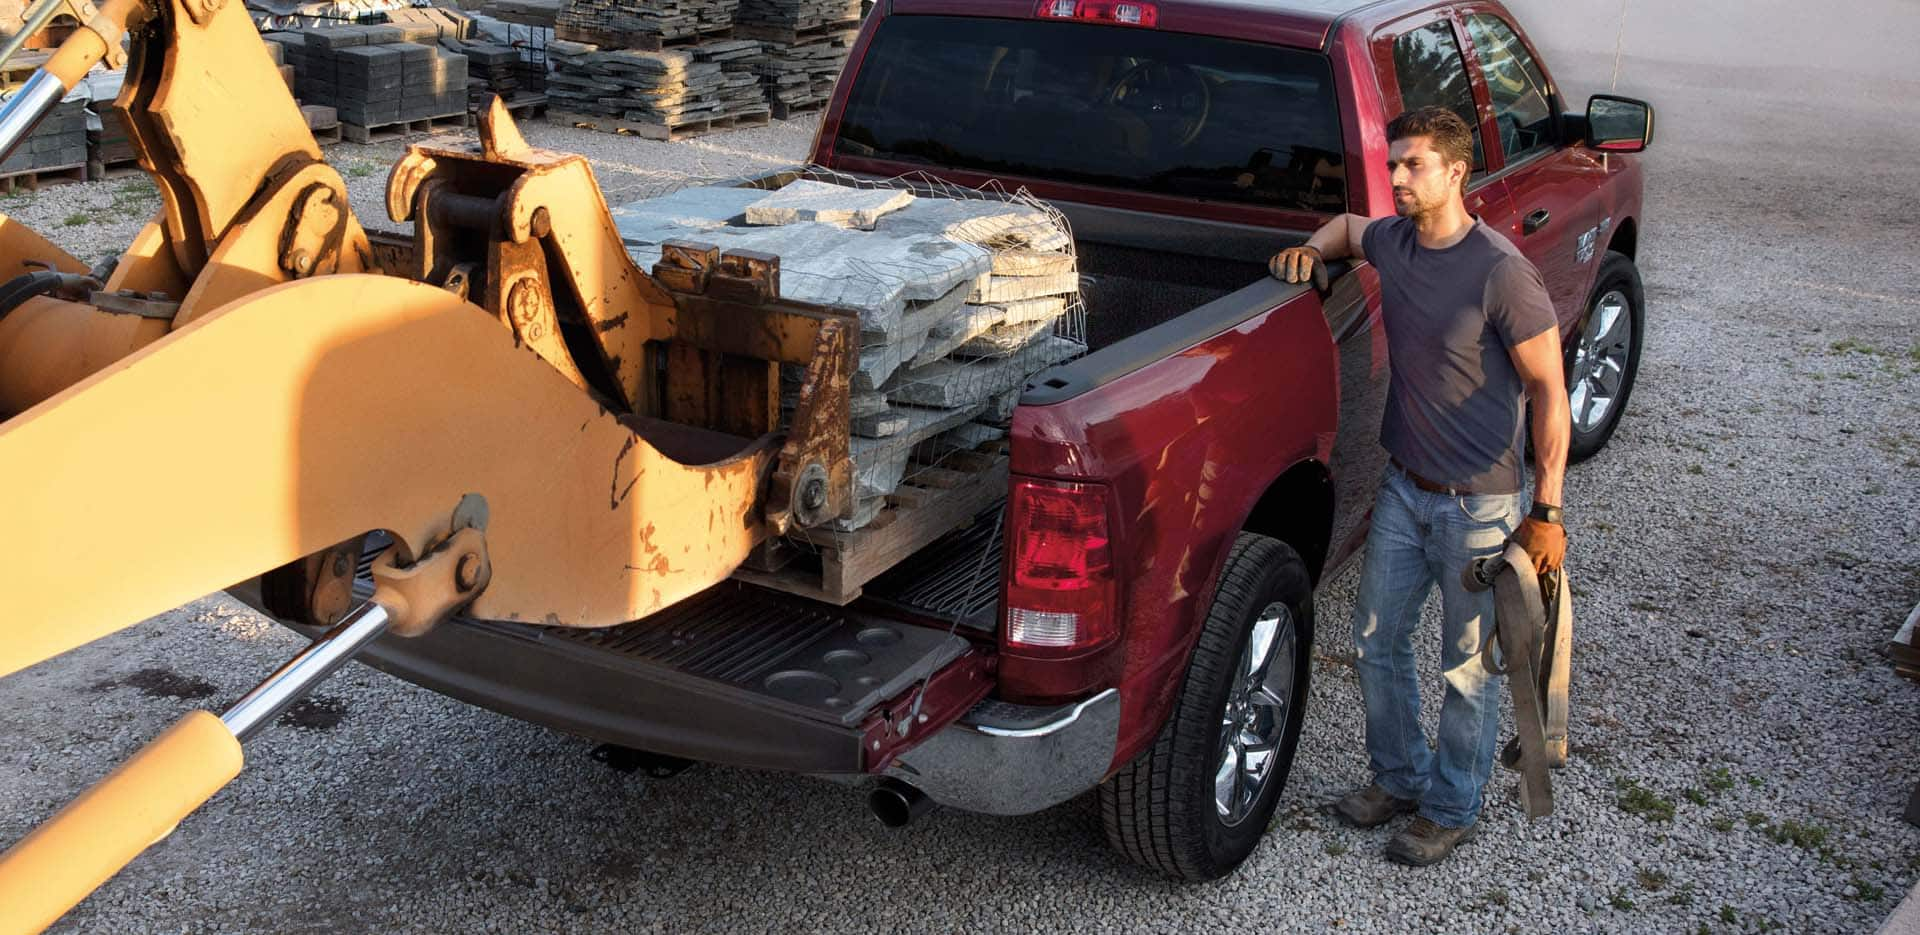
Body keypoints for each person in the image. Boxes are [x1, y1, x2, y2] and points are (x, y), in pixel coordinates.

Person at [1270, 106, 1569, 866]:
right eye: (1394, 163)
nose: (1397, 178)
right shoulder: (1394, 242)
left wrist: (1547, 511)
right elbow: (1343, 225)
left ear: (1456, 172)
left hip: (1481, 504)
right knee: (1376, 639)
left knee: (1467, 668)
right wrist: (1308, 251)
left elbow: (1550, 390)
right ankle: (1399, 778)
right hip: (1405, 490)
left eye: (1413, 166)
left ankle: (1451, 805)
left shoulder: (1501, 272)